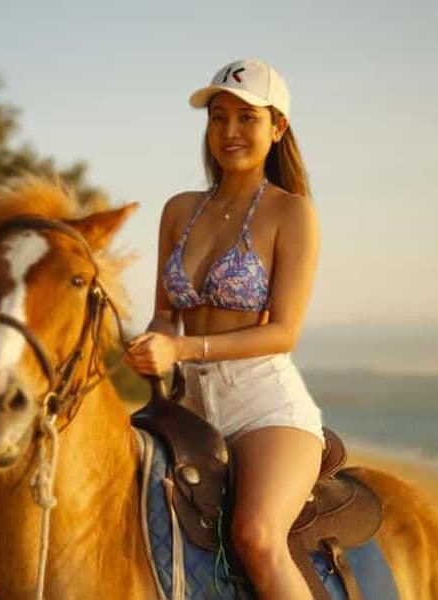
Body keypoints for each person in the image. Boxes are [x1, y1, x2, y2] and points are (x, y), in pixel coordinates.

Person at [124, 58, 324, 599]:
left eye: (246, 117)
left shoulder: (292, 213)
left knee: (257, 538)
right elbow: (165, 313)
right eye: (218, 117)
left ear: (278, 127)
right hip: (187, 406)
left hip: (263, 405)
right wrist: (149, 343)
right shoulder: (179, 210)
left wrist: (181, 348)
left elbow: (283, 332)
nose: (229, 131)